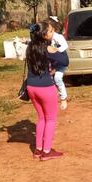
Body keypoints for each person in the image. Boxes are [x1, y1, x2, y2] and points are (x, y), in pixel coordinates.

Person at [26, 21, 69, 161]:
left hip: (31, 87)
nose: (53, 33)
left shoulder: (30, 47)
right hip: (45, 88)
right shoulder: (48, 48)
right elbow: (65, 60)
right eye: (51, 31)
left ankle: (38, 150)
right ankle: (47, 151)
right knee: (50, 119)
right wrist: (56, 46)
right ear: (44, 35)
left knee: (41, 118)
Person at [48, 16, 69, 109]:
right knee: (49, 81)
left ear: (52, 30)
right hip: (51, 64)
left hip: (60, 63)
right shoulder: (47, 39)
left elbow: (63, 46)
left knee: (57, 78)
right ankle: (51, 99)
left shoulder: (57, 38)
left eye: (47, 30)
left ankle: (63, 99)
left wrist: (55, 48)